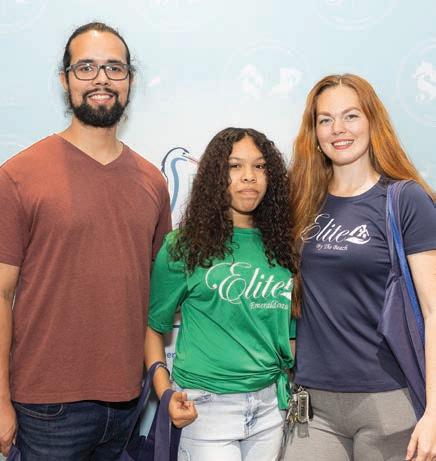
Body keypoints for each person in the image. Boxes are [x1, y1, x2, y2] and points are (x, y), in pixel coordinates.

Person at [0, 22, 171, 460]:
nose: (101, 79)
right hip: (46, 406)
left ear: (130, 79)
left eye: (114, 68)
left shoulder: (152, 182)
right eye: (86, 67)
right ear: (65, 79)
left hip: (128, 401)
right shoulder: (18, 176)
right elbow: (0, 294)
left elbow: (160, 298)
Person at [285, 74, 436, 461]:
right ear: (314, 131)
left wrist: (434, 413)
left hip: (388, 401)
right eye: (325, 119)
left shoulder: (405, 199)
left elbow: (433, 311)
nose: (338, 129)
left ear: (372, 121)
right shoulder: (302, 201)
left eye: (350, 116)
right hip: (313, 405)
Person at [144, 127, 298, 461]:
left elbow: (289, 335)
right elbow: (154, 326)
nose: (249, 176)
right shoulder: (184, 246)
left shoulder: (283, 248)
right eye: (235, 166)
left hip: (271, 409)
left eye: (259, 166)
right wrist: (164, 391)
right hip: (204, 409)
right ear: (216, 176)